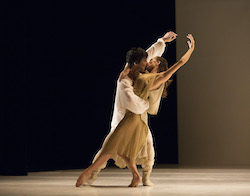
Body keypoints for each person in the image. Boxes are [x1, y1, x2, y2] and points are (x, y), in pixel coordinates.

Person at [75, 33, 195, 188]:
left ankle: (141, 177)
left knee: (130, 148)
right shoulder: (132, 76)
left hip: (136, 119)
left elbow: (170, 61)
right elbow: (145, 58)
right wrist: (163, 41)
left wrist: (185, 48)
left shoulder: (150, 77)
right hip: (126, 118)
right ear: (137, 63)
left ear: (156, 65)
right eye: (146, 60)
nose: (148, 61)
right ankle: (104, 176)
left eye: (151, 60)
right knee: (118, 150)